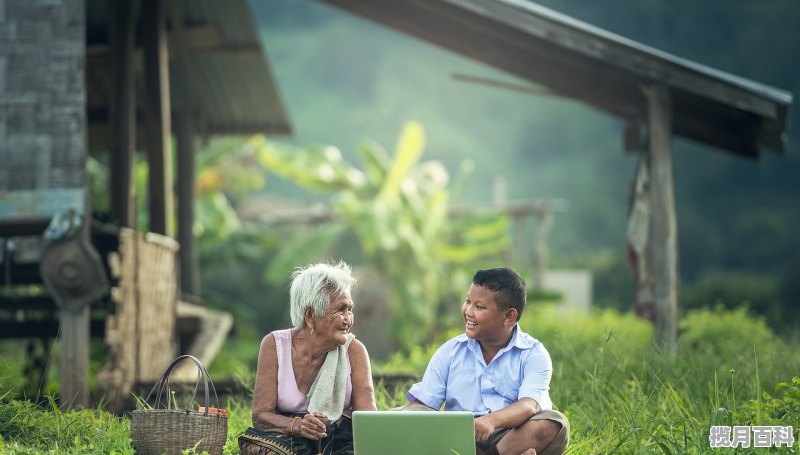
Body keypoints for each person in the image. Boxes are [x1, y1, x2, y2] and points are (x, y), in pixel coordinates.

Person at [404, 267, 569, 455]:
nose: (468, 311)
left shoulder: (533, 353)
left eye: (479, 307)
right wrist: (393, 416)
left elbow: (529, 405)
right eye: (468, 301)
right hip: (460, 436)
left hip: (510, 436)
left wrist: (491, 420)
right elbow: (423, 405)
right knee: (413, 418)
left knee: (553, 424)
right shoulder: (450, 351)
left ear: (509, 316)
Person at [239, 261, 377, 455]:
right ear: (310, 315)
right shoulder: (274, 345)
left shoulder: (355, 351)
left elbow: (368, 423)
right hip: (290, 439)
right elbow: (261, 415)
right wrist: (298, 425)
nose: (348, 319)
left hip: (340, 443)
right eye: (341, 309)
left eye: (350, 309)